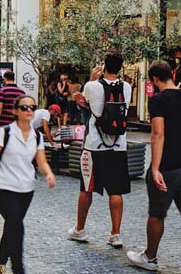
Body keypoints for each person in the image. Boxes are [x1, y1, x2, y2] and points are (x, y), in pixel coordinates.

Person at [127, 61, 181, 273]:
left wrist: (155, 167)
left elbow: (158, 133)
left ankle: (150, 256)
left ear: (155, 80)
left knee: (157, 213)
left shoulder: (157, 100)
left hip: (168, 166)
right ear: (173, 75)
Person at [68, 51, 131, 248]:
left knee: (86, 187)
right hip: (118, 145)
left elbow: (86, 104)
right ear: (120, 67)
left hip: (94, 144)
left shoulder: (92, 86)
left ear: (104, 66)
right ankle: (115, 233)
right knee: (116, 191)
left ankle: (80, 229)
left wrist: (93, 79)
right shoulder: (127, 87)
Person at [0, 94, 57, 274]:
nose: (29, 111)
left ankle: (0, 261)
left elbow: (41, 161)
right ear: (15, 111)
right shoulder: (4, 133)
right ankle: (18, 269)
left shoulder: (36, 136)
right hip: (3, 186)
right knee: (16, 224)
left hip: (26, 188)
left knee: (13, 223)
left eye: (32, 108)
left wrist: (49, 174)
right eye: (24, 107)